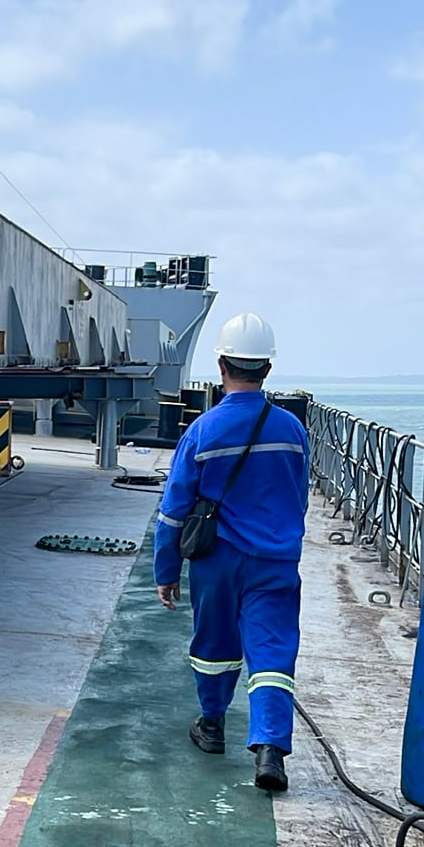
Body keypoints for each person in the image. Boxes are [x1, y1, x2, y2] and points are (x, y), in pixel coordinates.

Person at [152, 312, 309, 791]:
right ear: (267, 368)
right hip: (276, 559)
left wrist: (167, 568)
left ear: (221, 365)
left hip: (217, 559)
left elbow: (174, 509)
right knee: (273, 652)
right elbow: (299, 497)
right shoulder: (291, 430)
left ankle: (213, 724)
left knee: (216, 646)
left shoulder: (203, 431)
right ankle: (269, 749)